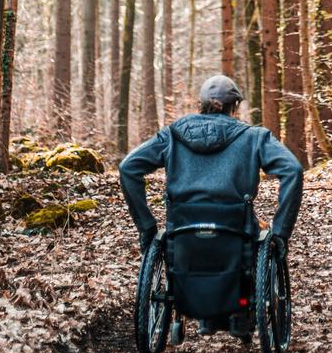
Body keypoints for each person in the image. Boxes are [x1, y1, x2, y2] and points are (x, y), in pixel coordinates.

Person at [118, 75, 304, 335]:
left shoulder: (172, 135)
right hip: (235, 227)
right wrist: (282, 232)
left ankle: (205, 315)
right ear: (235, 106)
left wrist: (147, 227)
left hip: (182, 229)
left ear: (201, 104)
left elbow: (128, 168)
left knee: (195, 244)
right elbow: (292, 170)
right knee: (258, 235)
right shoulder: (254, 137)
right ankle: (239, 311)